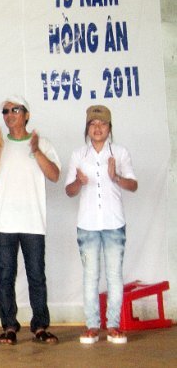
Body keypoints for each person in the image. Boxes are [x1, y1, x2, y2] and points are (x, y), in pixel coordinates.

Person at [0, 95, 61, 345]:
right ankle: (9, 326)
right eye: (5, 111)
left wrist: (36, 151)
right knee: (6, 276)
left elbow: (55, 175)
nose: (10, 115)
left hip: (33, 221)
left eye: (15, 110)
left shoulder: (42, 143)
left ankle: (40, 326)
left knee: (36, 275)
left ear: (27, 115)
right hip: (4, 222)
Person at [65, 105, 137, 345]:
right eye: (93, 124)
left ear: (109, 127)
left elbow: (133, 185)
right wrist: (78, 182)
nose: (97, 128)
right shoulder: (78, 155)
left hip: (114, 223)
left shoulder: (120, 153)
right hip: (87, 224)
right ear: (87, 128)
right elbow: (69, 191)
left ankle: (113, 325)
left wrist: (116, 177)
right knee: (90, 276)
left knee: (115, 276)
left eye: (102, 124)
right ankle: (92, 326)